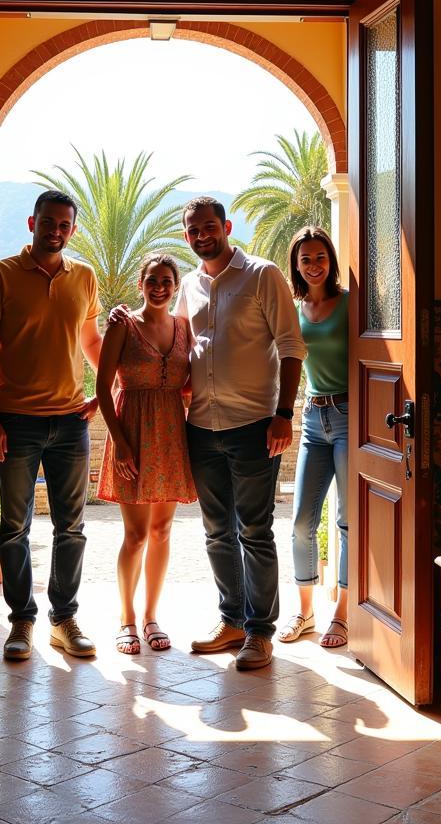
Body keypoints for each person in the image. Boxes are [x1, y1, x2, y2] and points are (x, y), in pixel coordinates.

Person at [0, 189, 103, 661]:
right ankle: (22, 621)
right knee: (14, 528)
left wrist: (105, 395)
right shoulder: (0, 275)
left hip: (70, 422)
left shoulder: (84, 277)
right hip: (17, 421)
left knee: (72, 528)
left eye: (65, 224)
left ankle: (63, 619)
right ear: (32, 223)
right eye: (48, 222)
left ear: (73, 229)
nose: (56, 230)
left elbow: (90, 341)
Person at [178, 196, 306, 670]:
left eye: (208, 227)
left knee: (254, 529)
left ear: (226, 226)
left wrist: (284, 413)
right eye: (192, 230)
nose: (200, 236)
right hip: (202, 427)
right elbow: (180, 345)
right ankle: (231, 620)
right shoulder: (188, 285)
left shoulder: (262, 274)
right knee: (216, 531)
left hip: (254, 425)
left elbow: (292, 346)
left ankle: (260, 632)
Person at [96, 253, 197, 655]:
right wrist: (119, 441)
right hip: (132, 432)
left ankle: (153, 616)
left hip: (172, 434)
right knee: (136, 535)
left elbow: (190, 380)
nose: (160, 287)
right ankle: (127, 618)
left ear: (175, 286)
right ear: (141, 284)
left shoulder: (183, 327)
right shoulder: (123, 324)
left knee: (162, 531)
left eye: (167, 280)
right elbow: (104, 386)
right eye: (152, 280)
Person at [276, 226, 350, 650]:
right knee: (302, 521)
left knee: (347, 521)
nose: (313, 265)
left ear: (330, 260)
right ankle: (305, 612)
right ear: (297, 265)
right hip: (312, 417)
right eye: (305, 259)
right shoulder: (294, 309)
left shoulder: (350, 304)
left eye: (320, 256)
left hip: (349, 416)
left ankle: (341, 614)